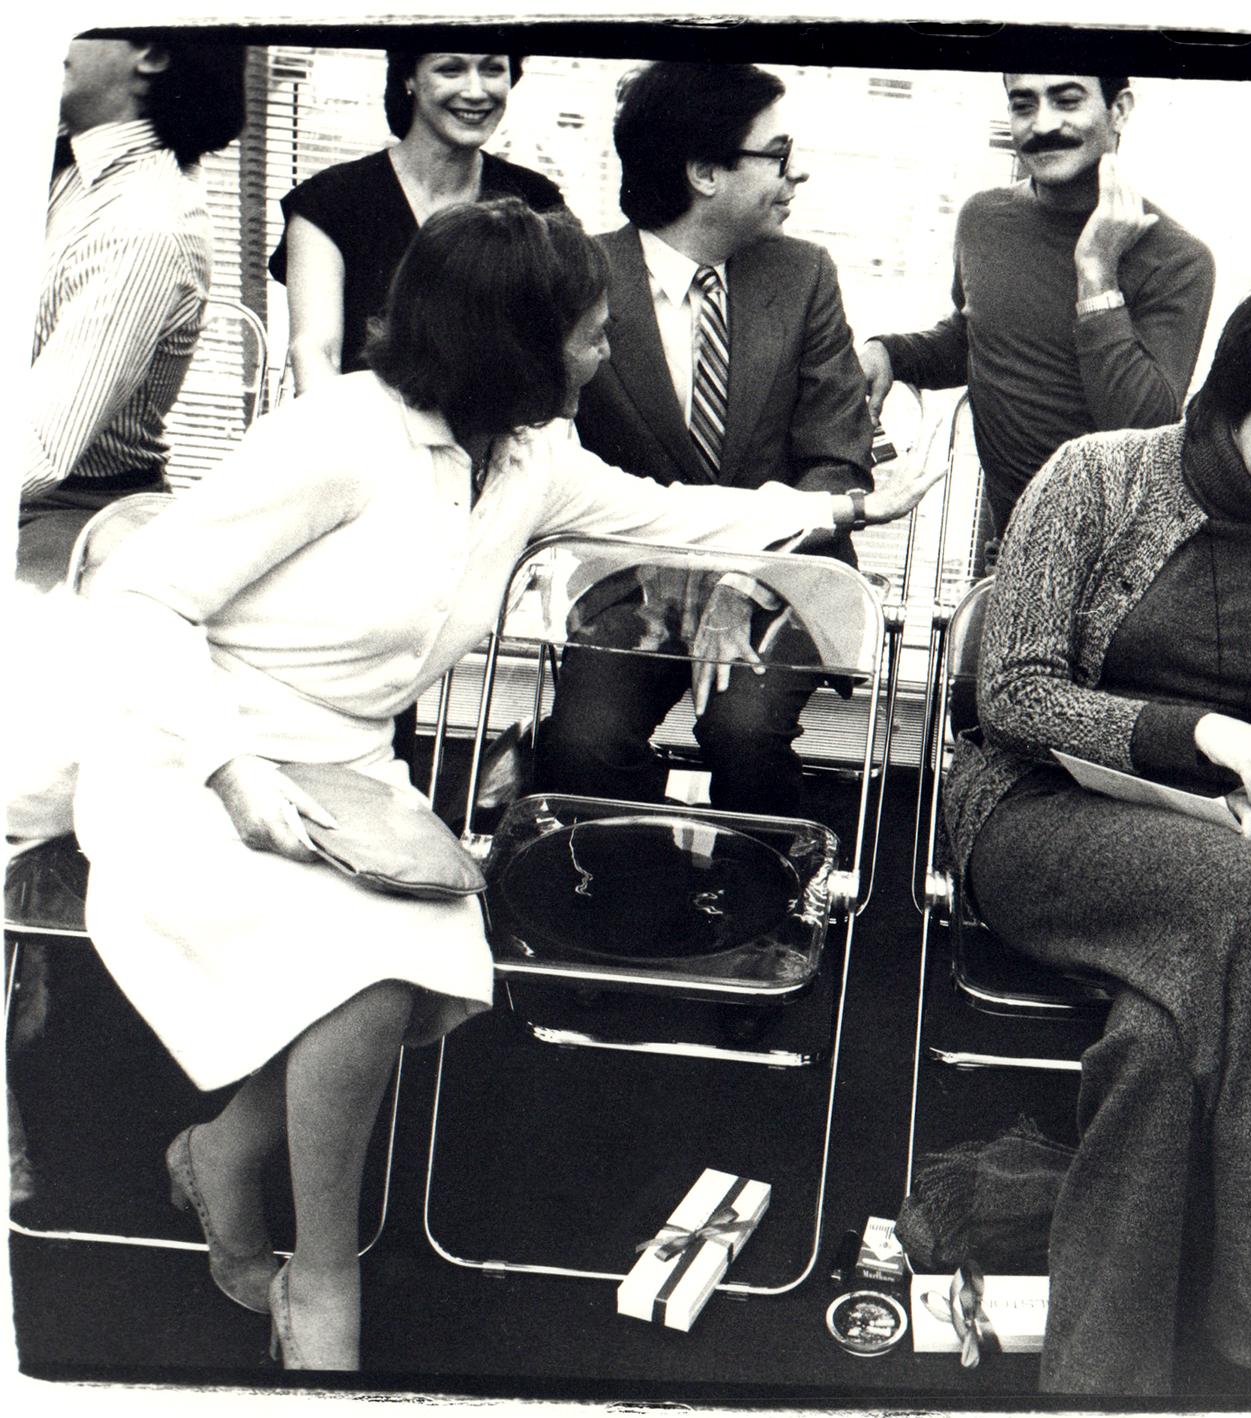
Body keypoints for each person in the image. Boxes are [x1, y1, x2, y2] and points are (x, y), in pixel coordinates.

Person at [68, 198, 939, 1372]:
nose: (604, 351)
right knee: (371, 980)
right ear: (509, 345)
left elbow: (675, 515)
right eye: (585, 333)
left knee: (427, 973)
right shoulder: (334, 438)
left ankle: (228, 1151)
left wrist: (839, 506)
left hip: (350, 770)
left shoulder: (528, 456)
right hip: (190, 758)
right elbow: (138, 599)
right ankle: (323, 1272)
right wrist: (229, 770)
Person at [947, 270, 1251, 1399]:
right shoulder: (1098, 477)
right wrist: (1196, 731)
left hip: (1214, 857)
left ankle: (1099, 1377)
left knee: (1160, 1038)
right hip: (1032, 815)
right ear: (1239, 386)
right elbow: (1012, 693)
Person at [533, 61, 874, 815]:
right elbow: (548, 457)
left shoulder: (804, 274)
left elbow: (837, 463)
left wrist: (741, 578)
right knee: (583, 742)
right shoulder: (584, 274)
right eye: (777, 155)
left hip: (784, 573)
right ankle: (630, 898)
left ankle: (766, 907)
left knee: (743, 731)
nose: (797, 174)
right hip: (632, 575)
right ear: (704, 172)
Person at [859, 73, 1215, 540]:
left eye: (1067, 101)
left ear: (1120, 109)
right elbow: (980, 339)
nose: (1043, 123)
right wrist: (891, 353)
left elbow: (1140, 430)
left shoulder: (1178, 257)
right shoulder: (982, 219)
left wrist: (1097, 271)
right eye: (1023, 104)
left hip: (1118, 550)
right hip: (1006, 536)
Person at [17, 35, 246, 589]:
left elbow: (41, 449)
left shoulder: (146, 225)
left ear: (152, 52)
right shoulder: (53, 155)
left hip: (62, 513)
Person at [269, 48, 564, 396]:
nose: (475, 90)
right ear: (408, 77)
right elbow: (317, 353)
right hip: (364, 436)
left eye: (493, 69)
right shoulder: (330, 203)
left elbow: (557, 351)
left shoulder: (538, 200)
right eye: (451, 69)